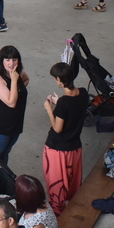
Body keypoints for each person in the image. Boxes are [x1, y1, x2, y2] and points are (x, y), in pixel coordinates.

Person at [43, 61, 89, 216]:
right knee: (72, 182)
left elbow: (57, 128)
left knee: (57, 184)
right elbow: (73, 108)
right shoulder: (83, 93)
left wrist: (50, 110)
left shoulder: (63, 103)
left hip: (58, 150)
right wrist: (59, 103)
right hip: (75, 147)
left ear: (59, 80)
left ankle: (58, 217)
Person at [0, 46, 29, 165]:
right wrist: (14, 82)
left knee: (5, 152)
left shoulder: (18, 71)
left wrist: (16, 90)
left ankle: (3, 174)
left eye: (14, 59)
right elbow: (11, 102)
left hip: (15, 124)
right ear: (1, 61)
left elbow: (26, 80)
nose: (11, 63)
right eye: (7, 60)